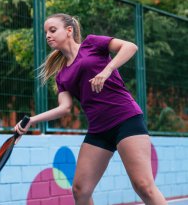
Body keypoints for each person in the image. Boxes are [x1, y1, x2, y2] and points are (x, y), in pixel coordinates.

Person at [15, 13, 166, 205]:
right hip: (98, 130)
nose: (48, 35)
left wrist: (107, 70)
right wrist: (31, 121)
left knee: (143, 186)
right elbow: (64, 108)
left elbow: (130, 47)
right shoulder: (62, 75)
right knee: (80, 190)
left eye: (53, 30)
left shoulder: (92, 44)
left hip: (125, 119)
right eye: (46, 32)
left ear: (69, 31)